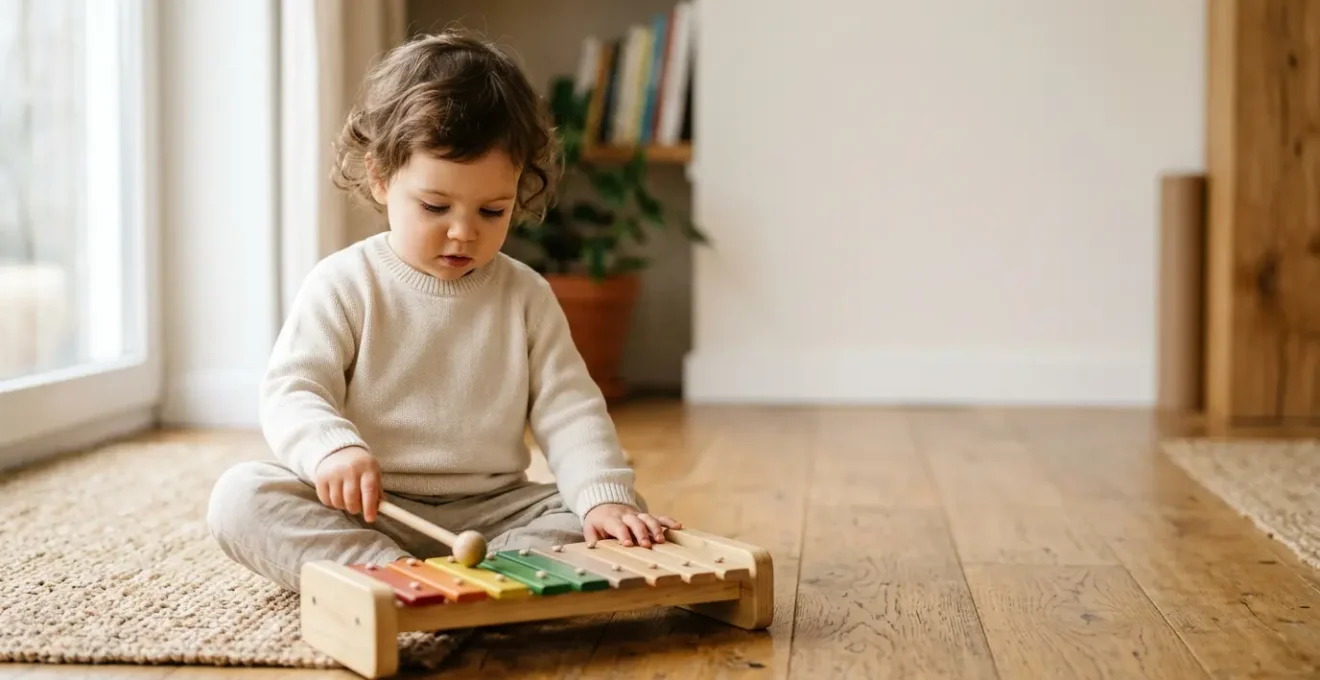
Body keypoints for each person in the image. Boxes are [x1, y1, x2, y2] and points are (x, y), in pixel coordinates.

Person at [206, 29, 680, 593]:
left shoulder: (526, 295)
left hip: (496, 512)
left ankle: (474, 582)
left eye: (492, 210)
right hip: (370, 509)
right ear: (381, 178)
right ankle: (396, 576)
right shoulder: (343, 282)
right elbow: (294, 388)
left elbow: (570, 408)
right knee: (241, 498)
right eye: (435, 206)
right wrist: (331, 448)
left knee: (608, 510)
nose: (463, 232)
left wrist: (603, 499)